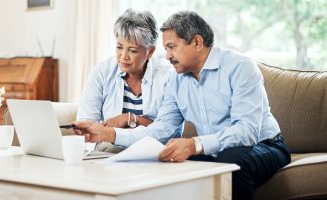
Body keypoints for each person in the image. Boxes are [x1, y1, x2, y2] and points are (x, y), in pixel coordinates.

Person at [74, 11, 291, 200]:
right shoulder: (176, 80)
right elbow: (160, 131)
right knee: (170, 166)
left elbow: (247, 132)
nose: (166, 56)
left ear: (196, 42)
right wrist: (107, 133)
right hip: (217, 150)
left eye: (171, 47)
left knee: (229, 163)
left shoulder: (240, 67)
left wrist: (193, 145)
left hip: (265, 145)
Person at [76, 9, 175, 153]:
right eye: (119, 47)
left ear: (150, 52)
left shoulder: (168, 76)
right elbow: (87, 123)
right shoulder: (101, 72)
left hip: (152, 148)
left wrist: (129, 118)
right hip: (109, 148)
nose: (123, 56)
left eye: (132, 50)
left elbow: (169, 129)